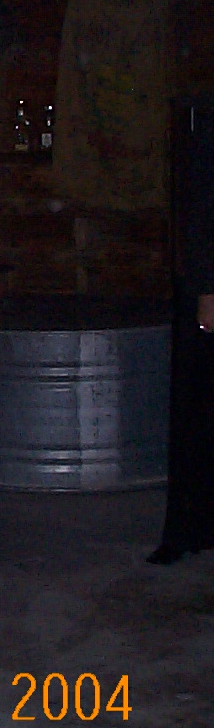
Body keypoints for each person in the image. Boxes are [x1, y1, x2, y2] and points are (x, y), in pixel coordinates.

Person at [149, 99, 214, 564]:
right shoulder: (206, 123)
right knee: (198, 409)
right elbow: (202, 211)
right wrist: (207, 289)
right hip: (207, 286)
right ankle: (188, 529)